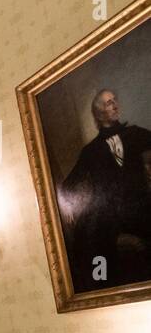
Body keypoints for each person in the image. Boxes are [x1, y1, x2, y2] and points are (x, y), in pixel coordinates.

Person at [60, 89, 151, 291]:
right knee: (91, 243)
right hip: (111, 216)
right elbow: (69, 185)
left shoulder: (135, 133)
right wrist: (66, 206)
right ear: (99, 113)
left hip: (141, 206)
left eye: (115, 100)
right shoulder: (91, 151)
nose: (115, 105)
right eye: (109, 103)